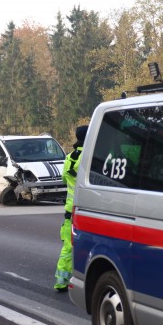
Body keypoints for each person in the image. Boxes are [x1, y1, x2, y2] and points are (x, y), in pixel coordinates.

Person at [54, 125, 88, 292]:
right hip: (85, 208)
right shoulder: (89, 156)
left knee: (68, 246)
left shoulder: (69, 158)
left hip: (70, 210)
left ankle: (62, 280)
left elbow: (64, 178)